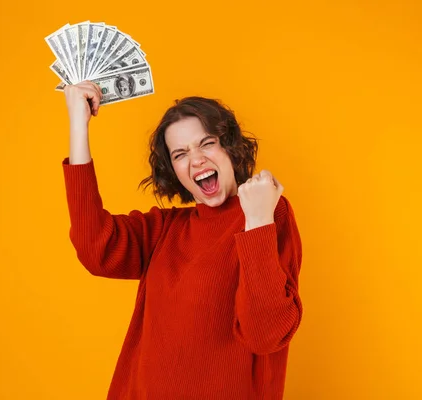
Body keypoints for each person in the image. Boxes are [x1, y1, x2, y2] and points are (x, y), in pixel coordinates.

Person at [61, 80, 303, 399]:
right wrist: (78, 123)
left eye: (207, 143)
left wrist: (258, 221)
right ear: (173, 170)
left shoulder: (271, 213)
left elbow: (265, 335)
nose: (197, 160)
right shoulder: (165, 229)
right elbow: (95, 249)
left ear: (229, 146)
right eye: (180, 154)